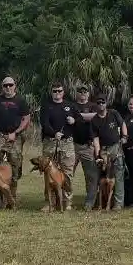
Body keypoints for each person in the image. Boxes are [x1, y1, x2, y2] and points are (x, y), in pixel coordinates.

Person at [0, 76, 31, 204]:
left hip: (15, 138)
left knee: (15, 168)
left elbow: (26, 119)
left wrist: (15, 133)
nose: (8, 88)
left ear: (15, 86)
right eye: (5, 85)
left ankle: (12, 199)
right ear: (2, 87)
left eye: (10, 85)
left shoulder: (21, 101)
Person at [38, 82, 76, 212]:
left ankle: (67, 202)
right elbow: (44, 123)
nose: (57, 93)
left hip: (67, 144)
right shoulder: (46, 106)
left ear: (63, 92)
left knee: (67, 173)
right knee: (49, 173)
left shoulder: (70, 106)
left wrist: (74, 121)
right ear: (51, 92)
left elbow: (80, 121)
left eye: (59, 91)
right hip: (51, 142)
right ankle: (50, 203)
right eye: (54, 91)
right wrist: (54, 133)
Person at [88, 95, 127, 209]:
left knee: (118, 175)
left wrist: (124, 136)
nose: (101, 104)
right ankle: (92, 203)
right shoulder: (94, 120)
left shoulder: (114, 113)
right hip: (103, 150)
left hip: (116, 147)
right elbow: (95, 139)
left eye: (103, 102)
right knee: (96, 176)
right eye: (98, 102)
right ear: (96, 104)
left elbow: (122, 124)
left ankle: (118, 204)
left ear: (106, 103)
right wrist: (97, 154)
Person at [67, 85, 98, 209]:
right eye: (80, 92)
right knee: (67, 174)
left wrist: (77, 118)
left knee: (91, 176)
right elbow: (67, 117)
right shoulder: (71, 105)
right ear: (77, 94)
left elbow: (96, 116)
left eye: (85, 92)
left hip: (88, 145)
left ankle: (89, 202)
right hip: (72, 145)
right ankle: (66, 201)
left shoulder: (94, 106)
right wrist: (84, 118)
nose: (83, 94)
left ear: (88, 94)